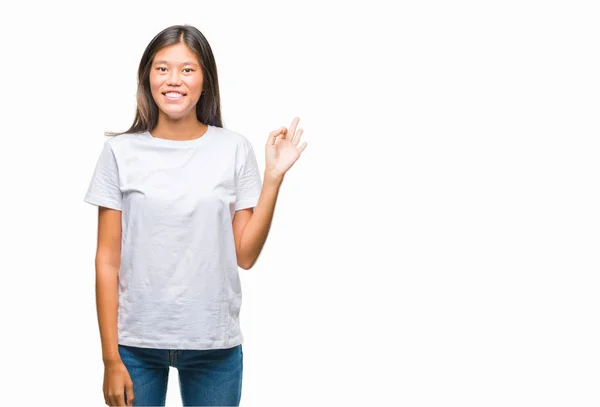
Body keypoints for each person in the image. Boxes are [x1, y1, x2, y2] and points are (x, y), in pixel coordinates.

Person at [84, 24, 307, 407]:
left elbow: (246, 256)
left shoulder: (234, 149)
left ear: (206, 79)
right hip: (136, 346)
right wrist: (110, 358)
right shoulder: (120, 153)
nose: (174, 80)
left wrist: (273, 178)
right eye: (162, 68)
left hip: (213, 343)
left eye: (187, 69)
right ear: (147, 77)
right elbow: (107, 261)